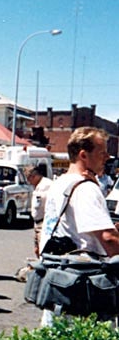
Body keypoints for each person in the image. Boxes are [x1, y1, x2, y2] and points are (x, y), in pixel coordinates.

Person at [40, 127, 119, 326]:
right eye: (102, 153)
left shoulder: (59, 184)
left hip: (58, 284)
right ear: (84, 155)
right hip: (84, 291)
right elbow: (108, 239)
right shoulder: (86, 188)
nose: (107, 157)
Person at [25, 165, 53, 257]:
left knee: (43, 250)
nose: (28, 181)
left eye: (29, 178)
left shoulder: (47, 185)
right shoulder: (37, 186)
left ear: (34, 176)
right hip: (37, 222)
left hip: (44, 223)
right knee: (37, 250)